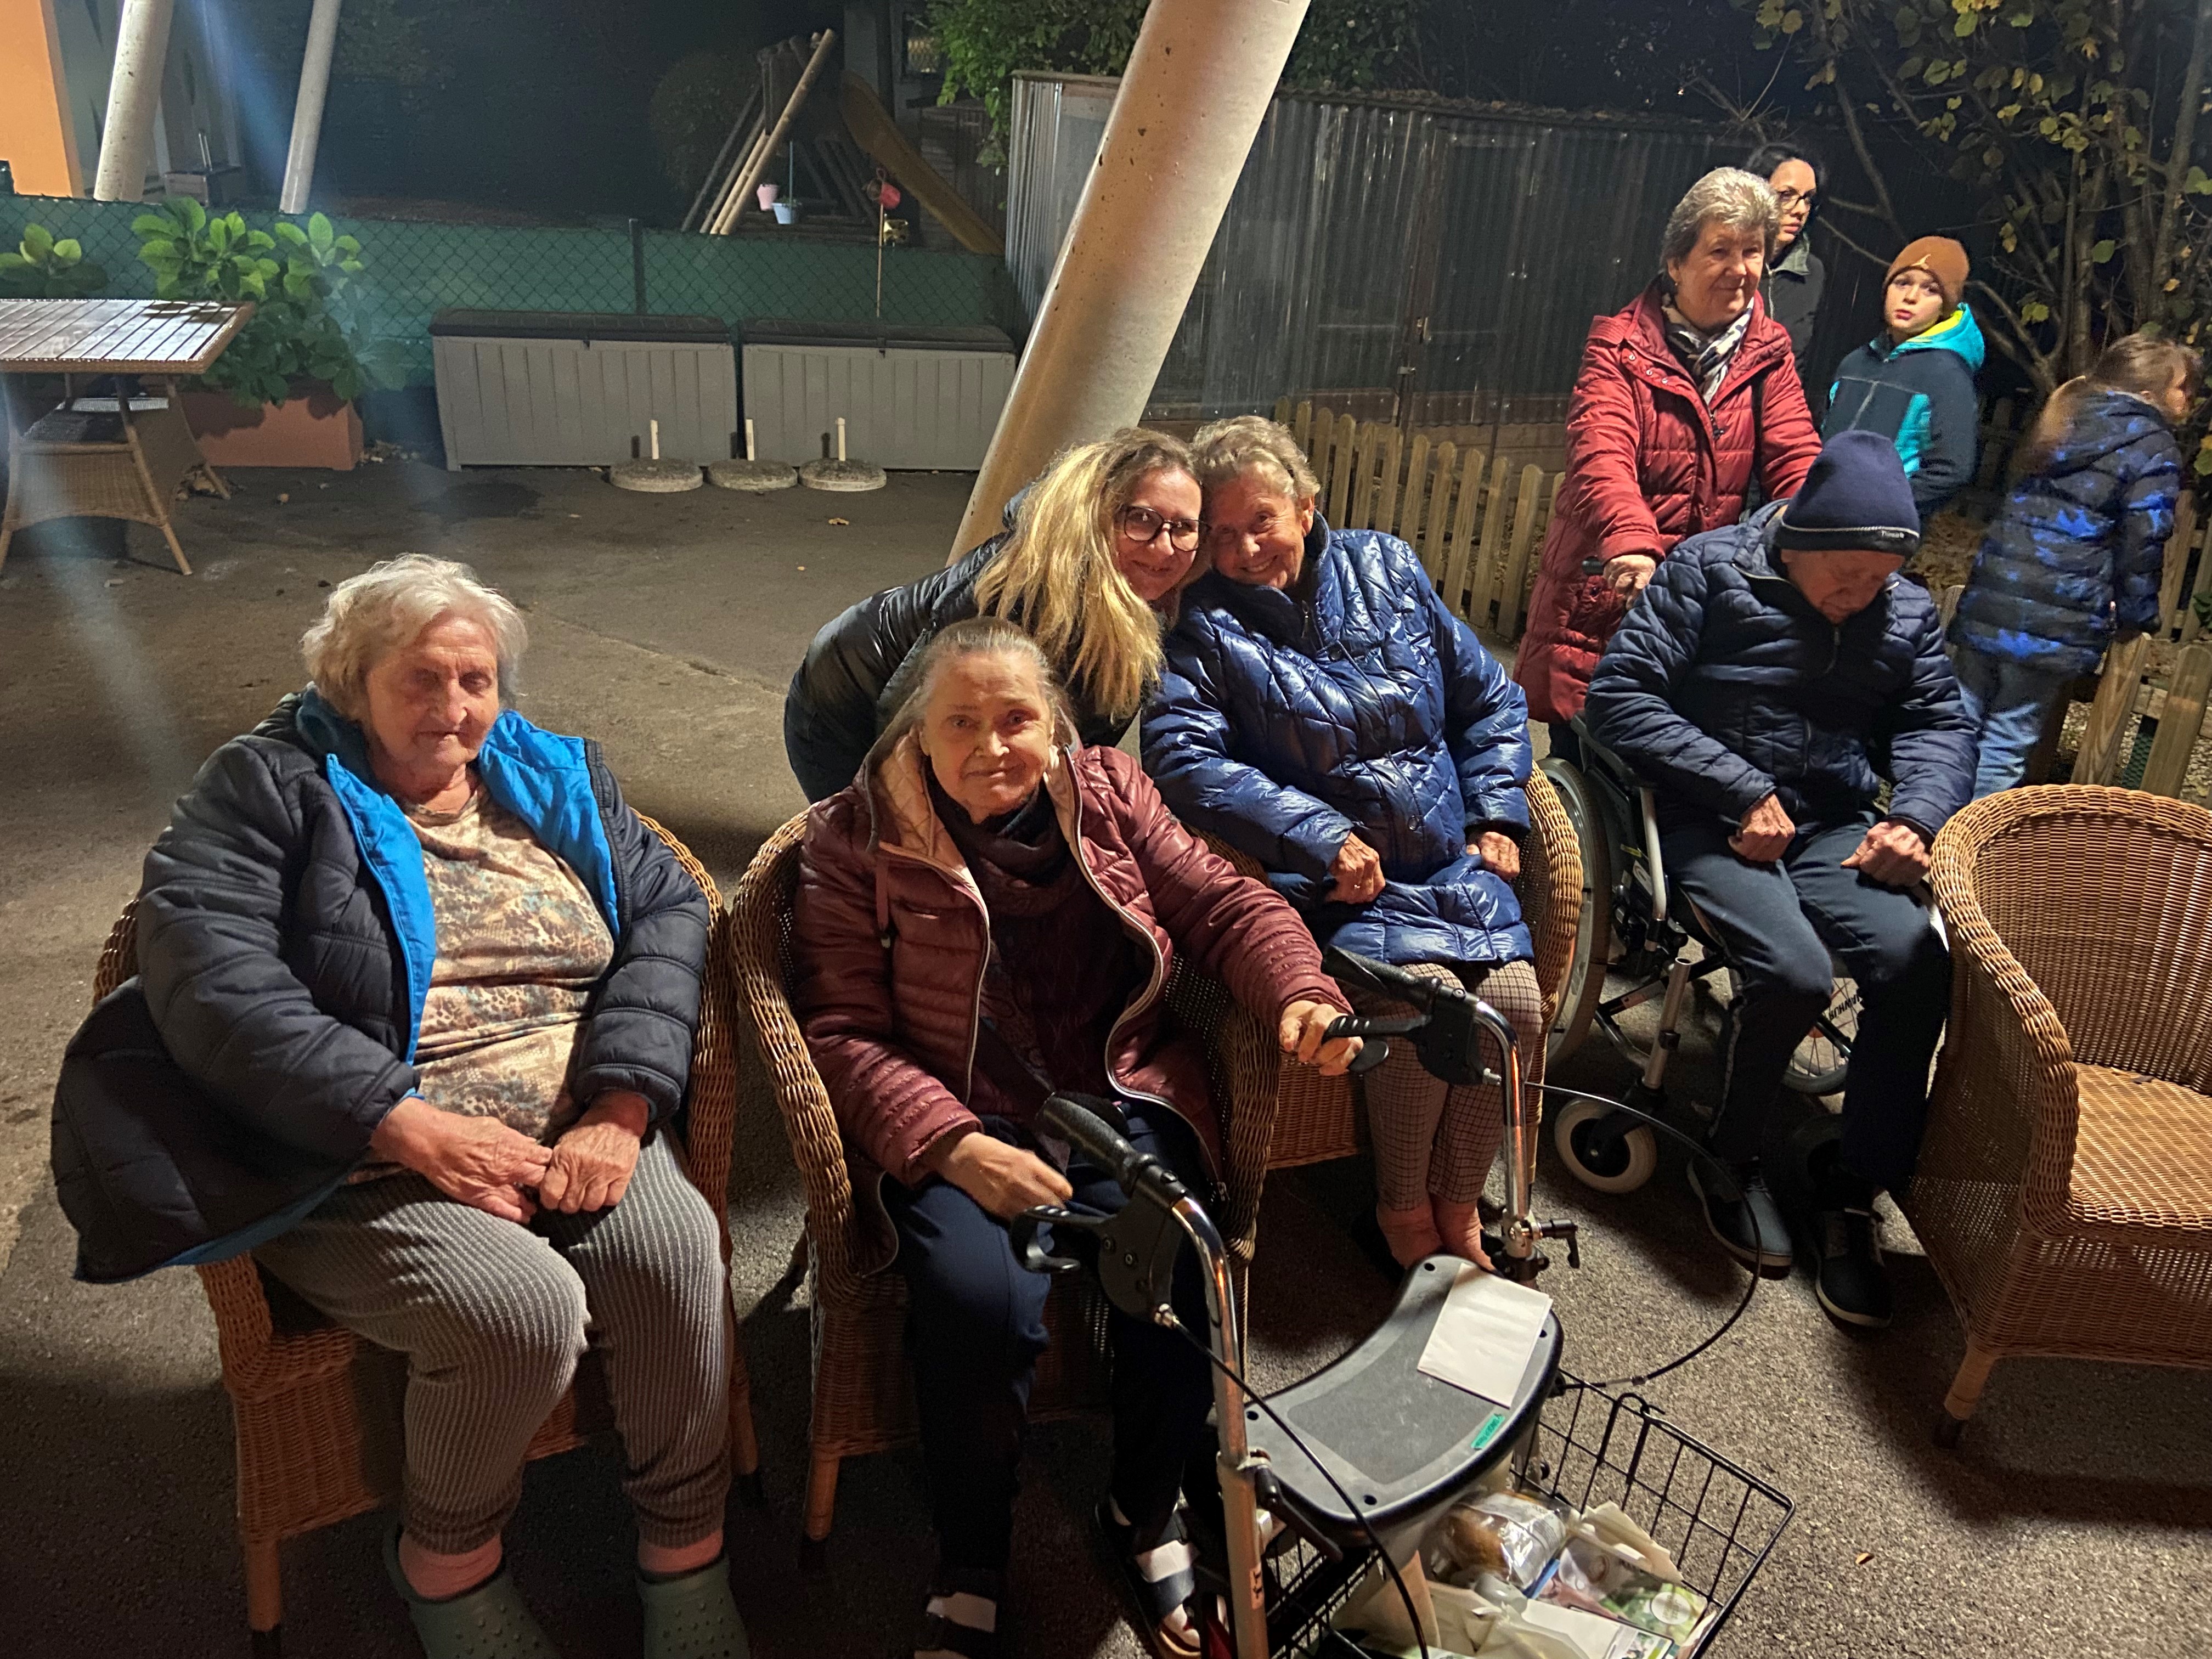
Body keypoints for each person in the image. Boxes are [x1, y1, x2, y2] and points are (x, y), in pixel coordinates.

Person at [52, 556, 744, 1659]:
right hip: (355, 1151)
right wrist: (404, 1121)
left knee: (675, 1255)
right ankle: (446, 1563)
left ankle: (685, 1553)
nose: (455, 707)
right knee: (519, 1309)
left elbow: (667, 910)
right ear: (351, 681)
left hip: (572, 1118)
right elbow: (212, 982)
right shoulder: (265, 787)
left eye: (477, 679)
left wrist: (620, 1104)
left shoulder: (548, 776)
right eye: (421, 678)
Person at [793, 617, 1359, 1659]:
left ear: (1055, 723)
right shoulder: (854, 836)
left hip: (1116, 1092)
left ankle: (1142, 1507)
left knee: (1182, 1268)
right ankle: (972, 1557)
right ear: (917, 732)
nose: (992, 745)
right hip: (961, 1111)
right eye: (960, 722)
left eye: (1016, 718)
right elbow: (840, 1030)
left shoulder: (1108, 792)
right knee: (978, 1304)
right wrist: (953, 1145)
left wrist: (1300, 992)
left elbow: (1223, 904)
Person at [1583, 433, 1976, 1329]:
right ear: (1797, 542)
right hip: (1710, 817)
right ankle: (1727, 1157)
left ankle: (1854, 1187)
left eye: (1880, 577)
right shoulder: (1708, 572)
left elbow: (1937, 725)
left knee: (1915, 960)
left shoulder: (1903, 611)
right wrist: (1739, 786)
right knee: (1793, 971)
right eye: (1847, 573)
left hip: (1830, 824)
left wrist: (1914, 818)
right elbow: (1620, 698)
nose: (1862, 593)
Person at [1143, 415, 1541, 1271]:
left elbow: (1491, 701)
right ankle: (1402, 1216)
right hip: (1335, 888)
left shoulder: (1389, 566)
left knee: (1516, 1009)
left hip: (1450, 864)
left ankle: (1459, 1206)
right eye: (1220, 534)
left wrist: (1498, 813)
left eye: (1261, 522)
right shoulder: (1202, 625)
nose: (1243, 550)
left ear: (1307, 505)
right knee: (1427, 1008)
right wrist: (1321, 836)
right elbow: (1182, 757)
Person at [1516, 167, 1821, 754]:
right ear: (1677, 263)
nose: (1740, 269)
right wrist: (1632, 541)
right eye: (1720, 251)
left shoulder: (1768, 352)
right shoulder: (1619, 345)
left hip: (1701, 600)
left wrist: (1815, 533)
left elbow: (1796, 454)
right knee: (1588, 756)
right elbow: (1601, 451)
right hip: (1611, 585)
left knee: (1678, 755)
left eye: (1752, 251)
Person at [782, 427, 1204, 801]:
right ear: (1093, 515)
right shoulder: (1015, 588)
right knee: (879, 838)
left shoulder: (1147, 600)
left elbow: (1083, 742)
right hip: (842, 712)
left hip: (903, 702)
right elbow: (906, 720)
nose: (1165, 547)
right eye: (1141, 519)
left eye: (1184, 527)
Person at [1950, 332, 2201, 797]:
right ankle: (1968, 837)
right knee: (2007, 738)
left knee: (1959, 722)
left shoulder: (2063, 413)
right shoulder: (2153, 446)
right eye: (2183, 387)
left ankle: (1922, 824)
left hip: (1995, 590)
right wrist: (2137, 614)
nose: (2191, 398)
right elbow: (2145, 539)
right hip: (2055, 610)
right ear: (2149, 394)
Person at [1822, 236, 1984, 524]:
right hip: (1820, 512)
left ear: (1945, 307)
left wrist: (1885, 506)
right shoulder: (1855, 363)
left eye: (1931, 290)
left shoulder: (1946, 375)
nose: (1911, 297)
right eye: (1902, 283)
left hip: (1882, 529)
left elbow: (1952, 469)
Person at [1747, 141, 1827, 374]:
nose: (1800, 210)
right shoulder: (1721, 262)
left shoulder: (1811, 273)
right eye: (1786, 195)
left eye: (1808, 199)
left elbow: (1798, 363)